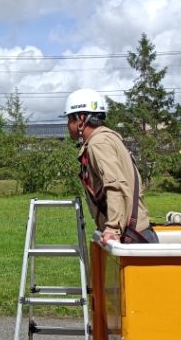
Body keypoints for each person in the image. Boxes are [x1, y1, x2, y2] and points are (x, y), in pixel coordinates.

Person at [64, 88, 157, 245]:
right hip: (136, 233)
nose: (67, 125)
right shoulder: (107, 138)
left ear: (80, 119)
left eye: (69, 119)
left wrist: (113, 228)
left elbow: (114, 185)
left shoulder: (98, 143)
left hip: (132, 238)